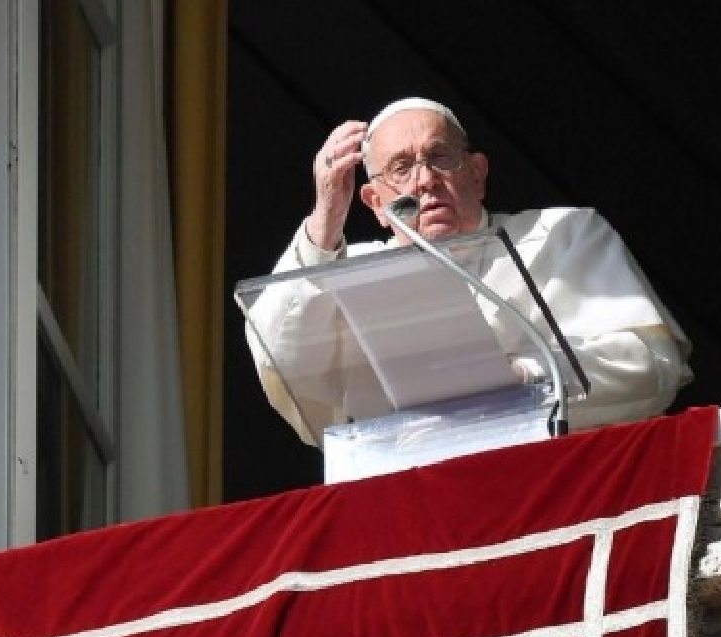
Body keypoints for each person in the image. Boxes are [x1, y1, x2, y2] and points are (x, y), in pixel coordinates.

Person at [246, 97, 692, 446]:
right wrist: (325, 219)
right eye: (401, 167)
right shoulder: (347, 271)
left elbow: (650, 365)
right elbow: (285, 363)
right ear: (374, 203)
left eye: (439, 157)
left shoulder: (562, 234)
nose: (424, 180)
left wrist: (522, 377)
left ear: (477, 175)